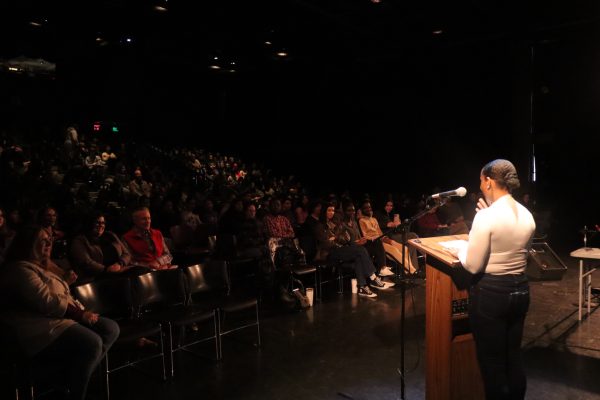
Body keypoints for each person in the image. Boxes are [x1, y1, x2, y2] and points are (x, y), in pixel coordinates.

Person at [0, 225, 119, 400]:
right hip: (38, 326)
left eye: (50, 239)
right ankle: (75, 391)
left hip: (58, 318)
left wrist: (68, 288)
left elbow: (60, 293)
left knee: (110, 328)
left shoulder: (44, 266)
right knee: (92, 342)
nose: (49, 243)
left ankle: (70, 379)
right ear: (27, 243)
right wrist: (80, 314)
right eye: (43, 240)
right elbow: (45, 300)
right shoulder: (19, 269)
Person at [455, 159, 536, 400]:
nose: (480, 186)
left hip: (492, 294)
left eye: (481, 181)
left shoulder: (486, 217)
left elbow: (473, 265)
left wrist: (461, 249)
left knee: (492, 365)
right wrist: (486, 214)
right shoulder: (527, 214)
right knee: (513, 357)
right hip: (520, 290)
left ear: (489, 181)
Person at [70, 212, 132, 281]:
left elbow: (127, 253)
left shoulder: (110, 235)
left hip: (119, 272)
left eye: (103, 223)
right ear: (90, 223)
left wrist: (119, 264)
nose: (101, 225)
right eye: (97, 222)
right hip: (96, 278)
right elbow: (86, 262)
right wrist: (107, 269)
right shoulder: (80, 240)